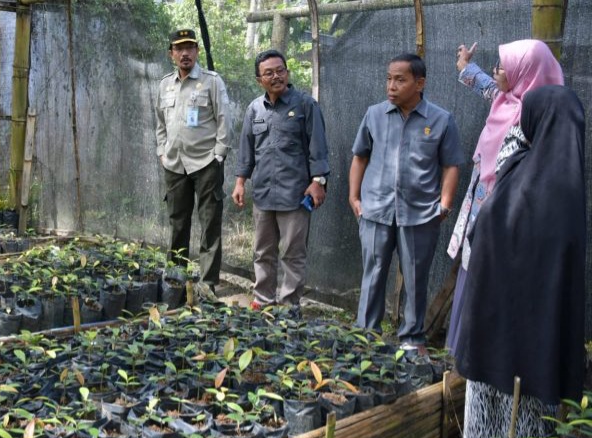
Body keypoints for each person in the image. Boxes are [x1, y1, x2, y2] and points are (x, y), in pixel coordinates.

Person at [453, 84, 586, 438]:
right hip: (538, 350)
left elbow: (482, 233)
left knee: (489, 425)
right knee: (531, 424)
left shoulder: (516, 174)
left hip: (491, 336)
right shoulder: (570, 190)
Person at [445, 39, 564, 354]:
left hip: (509, 219)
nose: (496, 71)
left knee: (495, 281)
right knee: (473, 272)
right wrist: (465, 63)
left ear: (525, 72)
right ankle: (463, 356)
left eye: (504, 66)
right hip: (481, 210)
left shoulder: (538, 118)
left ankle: (485, 357)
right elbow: (484, 84)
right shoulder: (505, 100)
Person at [349, 53, 464, 349]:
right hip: (375, 210)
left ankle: (412, 340)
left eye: (400, 80)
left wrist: (444, 204)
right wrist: (354, 197)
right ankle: (366, 337)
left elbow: (451, 165)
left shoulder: (441, 120)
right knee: (373, 274)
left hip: (420, 214)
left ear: (419, 83)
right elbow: (360, 157)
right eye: (389, 79)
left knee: (415, 278)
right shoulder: (374, 114)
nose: (391, 86)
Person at [231, 49, 329, 310]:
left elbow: (318, 147)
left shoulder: (305, 105)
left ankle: (288, 305)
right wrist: (240, 182)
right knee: (263, 250)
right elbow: (246, 149)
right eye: (269, 73)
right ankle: (263, 299)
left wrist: (318, 181)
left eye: (280, 70)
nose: (276, 76)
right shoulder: (254, 109)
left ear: (287, 72)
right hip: (263, 193)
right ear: (259, 80)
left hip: (295, 194)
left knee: (293, 253)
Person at [155, 29, 231, 293]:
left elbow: (224, 119)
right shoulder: (165, 84)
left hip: (206, 163)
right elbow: (160, 123)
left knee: (210, 223)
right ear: (171, 54)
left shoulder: (212, 81)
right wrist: (162, 151)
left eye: (190, 47)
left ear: (197, 51)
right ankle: (175, 282)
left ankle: (208, 284)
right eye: (179, 48)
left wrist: (219, 154)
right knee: (177, 222)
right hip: (174, 164)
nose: (185, 53)